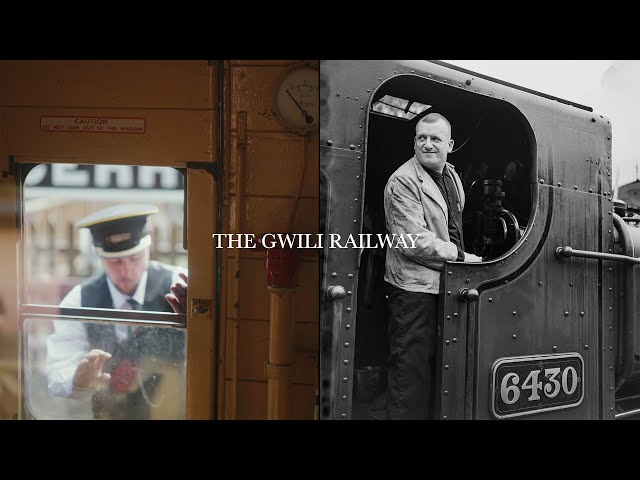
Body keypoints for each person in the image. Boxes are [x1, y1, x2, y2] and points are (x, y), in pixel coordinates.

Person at [45, 204, 188, 419]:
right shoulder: (78, 301)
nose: (127, 270)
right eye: (115, 261)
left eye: (135, 258)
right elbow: (59, 368)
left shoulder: (181, 286)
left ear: (148, 248)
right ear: (100, 257)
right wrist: (77, 380)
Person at [383, 112, 482, 420]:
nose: (428, 144)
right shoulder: (403, 181)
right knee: (410, 376)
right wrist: (463, 258)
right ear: (414, 142)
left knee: (440, 371)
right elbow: (413, 242)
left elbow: (453, 224)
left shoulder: (451, 175)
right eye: (421, 138)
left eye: (435, 139)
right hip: (414, 290)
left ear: (449, 144)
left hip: (446, 284)